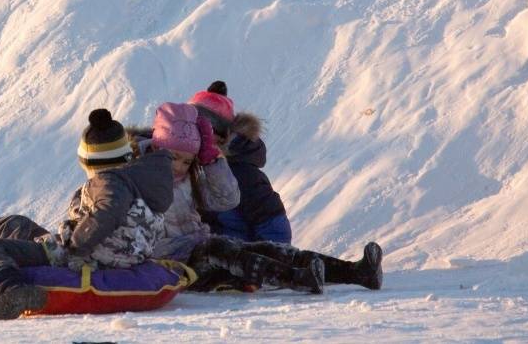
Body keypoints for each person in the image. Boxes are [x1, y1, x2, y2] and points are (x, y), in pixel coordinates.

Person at [0, 108, 177, 320]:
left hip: (79, 257)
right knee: (17, 225)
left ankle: (6, 290)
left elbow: (108, 209)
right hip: (103, 254)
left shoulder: (108, 181)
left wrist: (75, 244)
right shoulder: (142, 180)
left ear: (88, 160)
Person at [145, 102, 382, 293]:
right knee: (219, 249)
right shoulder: (140, 177)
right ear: (157, 148)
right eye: (173, 156)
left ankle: (355, 272)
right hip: (172, 264)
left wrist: (211, 162)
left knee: (265, 250)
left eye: (187, 160)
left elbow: (226, 200)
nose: (179, 166)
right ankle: (297, 279)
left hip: (196, 247)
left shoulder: (189, 177)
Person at [188, 81, 293, 244]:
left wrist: (258, 265)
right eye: (191, 127)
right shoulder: (186, 165)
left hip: (238, 261)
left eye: (205, 130)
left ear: (222, 136)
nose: (196, 135)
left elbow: (277, 233)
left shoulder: (242, 175)